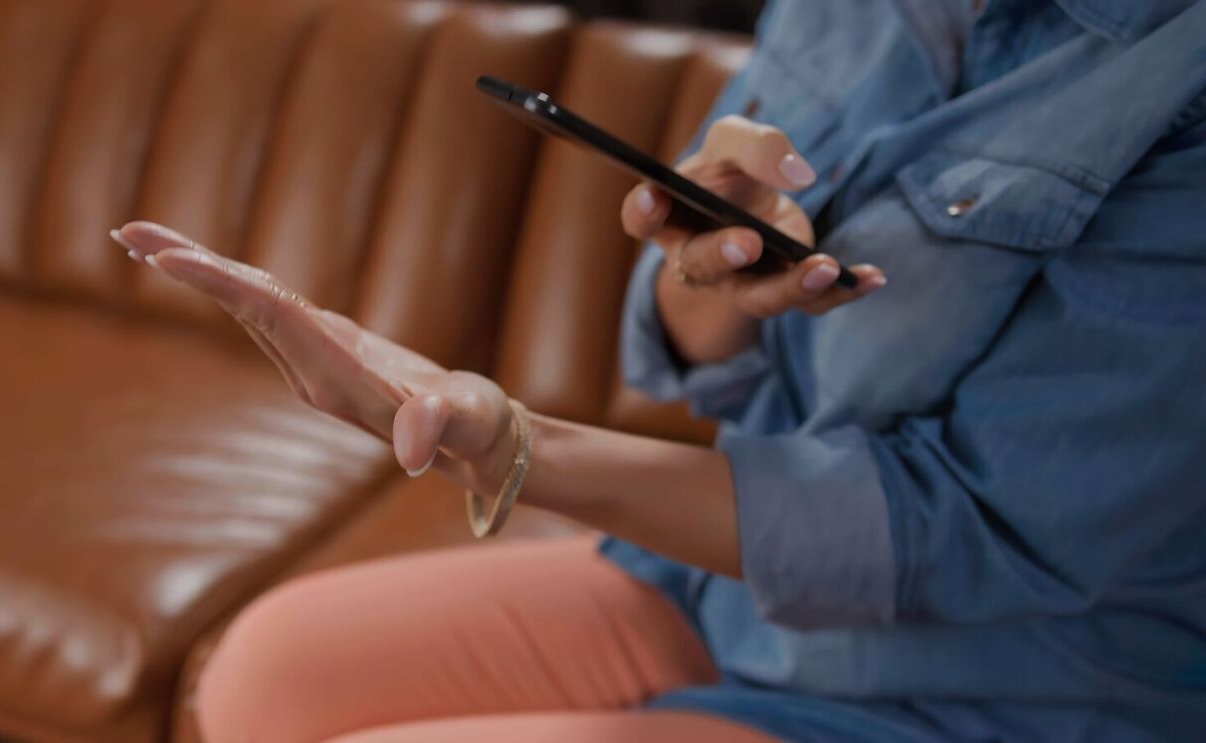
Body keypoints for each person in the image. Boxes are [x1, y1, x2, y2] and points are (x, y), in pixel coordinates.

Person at [109, 0, 1206, 740]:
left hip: (1004, 687)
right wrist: (709, 259)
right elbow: (710, 358)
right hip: (737, 600)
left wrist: (511, 443)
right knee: (269, 667)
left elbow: (971, 529)